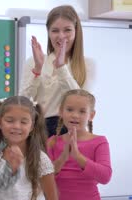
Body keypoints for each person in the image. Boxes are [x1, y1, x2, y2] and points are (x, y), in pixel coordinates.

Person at [47, 89, 112, 200]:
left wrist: (77, 156)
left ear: (91, 115)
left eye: (82, 111)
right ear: (61, 112)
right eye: (69, 109)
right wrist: (63, 156)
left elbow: (105, 176)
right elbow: (45, 178)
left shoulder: (99, 142)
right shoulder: (53, 141)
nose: (75, 115)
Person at [19, 5, 94, 137]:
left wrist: (61, 67)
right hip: (38, 132)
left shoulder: (86, 64)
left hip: (69, 133)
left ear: (76, 31)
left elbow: (81, 103)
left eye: (67, 30)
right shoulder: (35, 60)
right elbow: (22, 103)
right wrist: (37, 69)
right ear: (48, 32)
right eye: (55, 31)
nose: (61, 36)